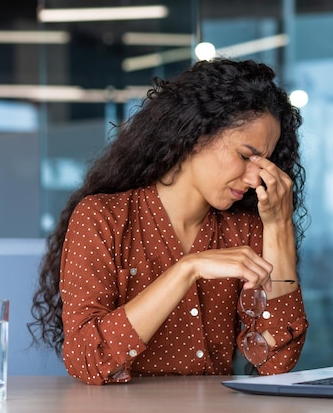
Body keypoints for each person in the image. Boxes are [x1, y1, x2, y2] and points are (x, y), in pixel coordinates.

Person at [29, 58, 309, 385]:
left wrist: (279, 227)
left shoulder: (244, 228)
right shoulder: (102, 217)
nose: (253, 178)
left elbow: (277, 362)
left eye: (263, 163)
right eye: (245, 156)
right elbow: (87, 359)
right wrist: (187, 269)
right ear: (195, 135)